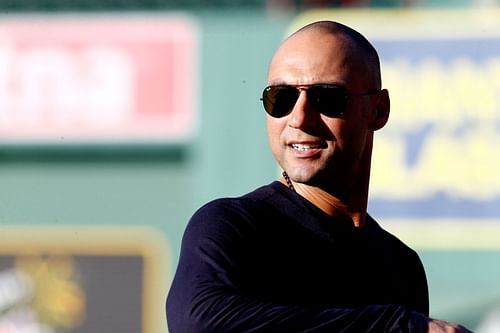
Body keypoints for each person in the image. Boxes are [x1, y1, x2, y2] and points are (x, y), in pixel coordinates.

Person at [166, 20, 472, 332]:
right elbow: (199, 324)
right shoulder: (235, 226)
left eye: (328, 98)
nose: (299, 118)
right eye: (281, 98)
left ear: (378, 111)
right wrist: (398, 325)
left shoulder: (401, 266)